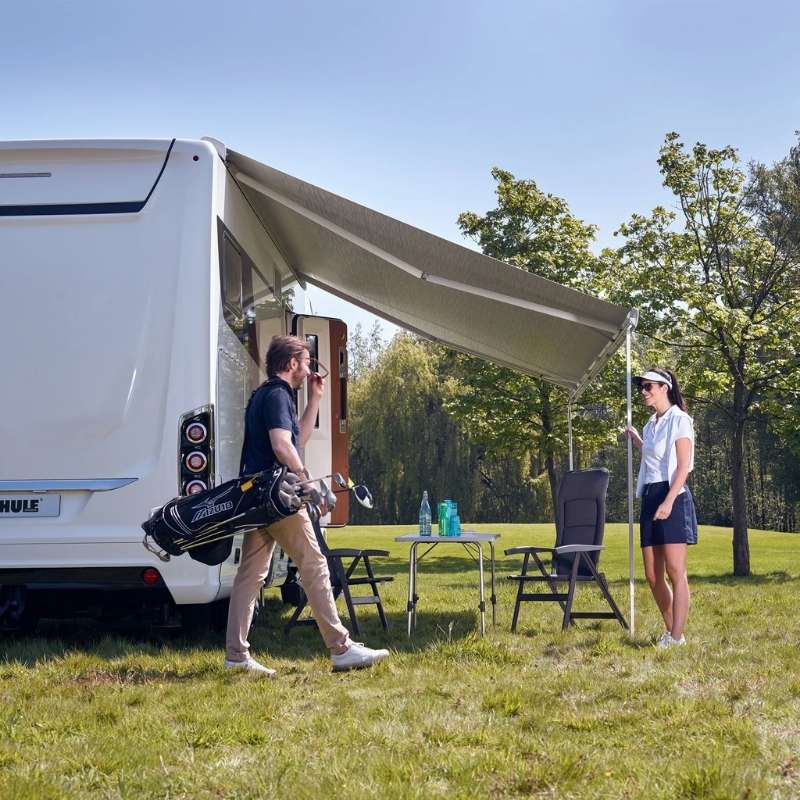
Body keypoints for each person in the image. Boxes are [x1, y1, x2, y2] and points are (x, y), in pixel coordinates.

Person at [224, 334, 390, 674]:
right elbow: (283, 445)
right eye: (306, 361)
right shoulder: (279, 395)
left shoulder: (265, 395)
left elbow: (295, 437)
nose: (310, 366)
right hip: (279, 497)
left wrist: (314, 400)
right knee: (314, 565)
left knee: (250, 576)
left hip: (259, 500)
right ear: (291, 364)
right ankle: (341, 648)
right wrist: (307, 483)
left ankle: (236, 656)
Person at [625, 368, 698, 648]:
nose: (643, 391)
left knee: (675, 572)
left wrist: (668, 501)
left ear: (664, 387)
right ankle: (672, 632)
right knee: (653, 576)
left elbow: (683, 466)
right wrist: (638, 441)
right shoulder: (650, 424)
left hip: (673, 495)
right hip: (650, 495)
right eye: (642, 387)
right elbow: (655, 457)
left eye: (648, 386)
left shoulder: (680, 420)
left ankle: (677, 636)